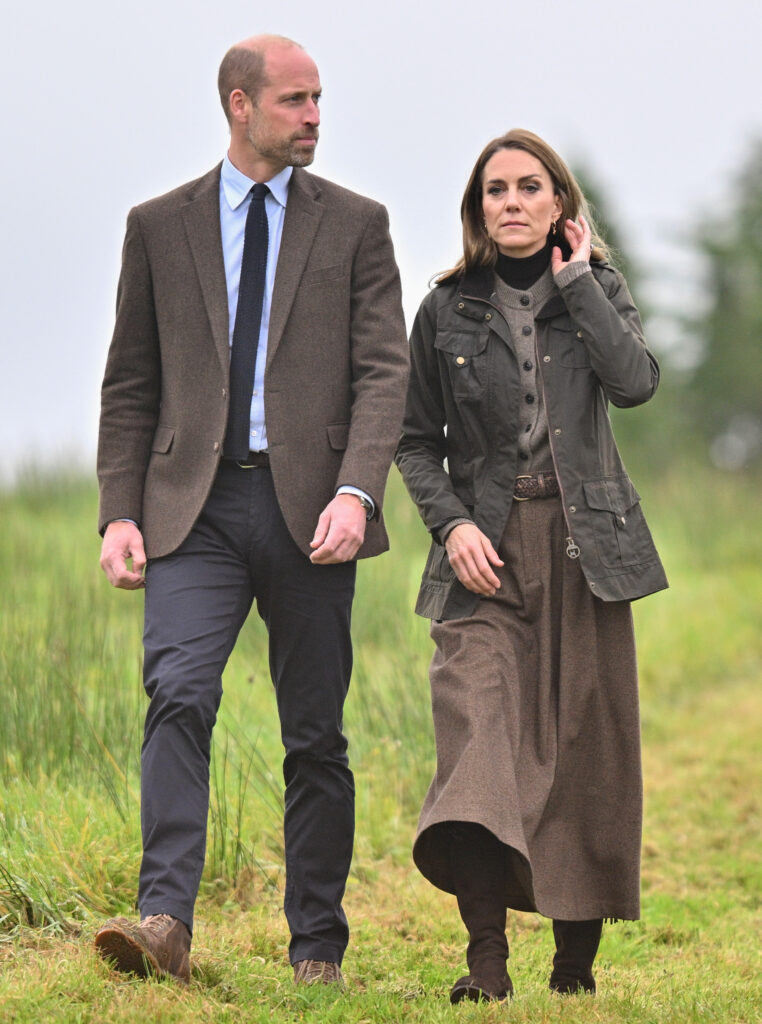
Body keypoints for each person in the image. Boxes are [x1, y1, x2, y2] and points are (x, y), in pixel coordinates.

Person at [94, 34, 408, 988]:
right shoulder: (159, 226)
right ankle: (164, 923)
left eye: (319, 100)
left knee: (314, 732)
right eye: (296, 101)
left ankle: (317, 945)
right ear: (240, 105)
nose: (315, 117)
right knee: (178, 695)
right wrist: (118, 511)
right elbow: (130, 384)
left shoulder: (357, 223)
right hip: (192, 509)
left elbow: (384, 373)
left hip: (314, 512)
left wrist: (358, 491)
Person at [395, 128, 668, 1003]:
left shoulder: (597, 289)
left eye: (527, 187)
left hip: (589, 551)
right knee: (477, 741)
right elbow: (410, 442)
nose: (509, 202)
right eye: (494, 191)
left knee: (586, 750)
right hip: (484, 557)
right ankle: (486, 964)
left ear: (559, 203)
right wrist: (450, 530)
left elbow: (635, 383)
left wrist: (578, 279)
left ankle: (574, 964)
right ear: (478, 209)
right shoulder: (444, 309)